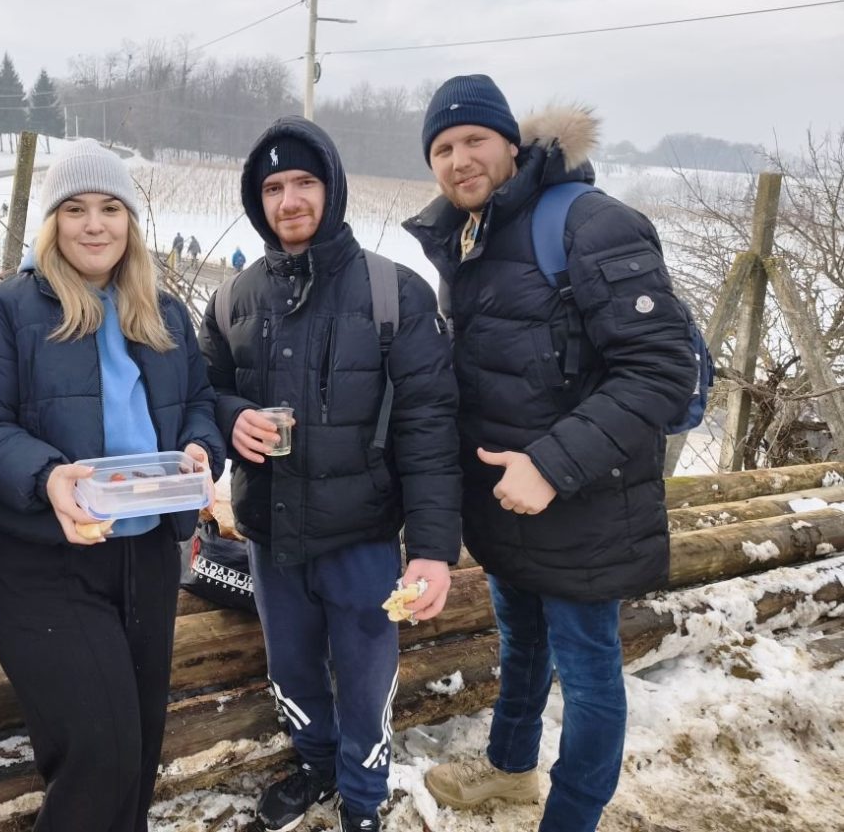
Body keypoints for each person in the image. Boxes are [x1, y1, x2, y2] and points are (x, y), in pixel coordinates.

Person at [403, 75, 698, 832]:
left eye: (474, 140)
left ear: (513, 142)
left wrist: (551, 465)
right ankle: (509, 769)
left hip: (584, 501)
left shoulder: (589, 223)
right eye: (442, 148)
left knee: (590, 673)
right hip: (509, 501)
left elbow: (660, 369)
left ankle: (570, 818)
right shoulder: (471, 235)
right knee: (522, 641)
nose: (459, 160)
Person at [0, 138, 225, 832]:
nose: (95, 224)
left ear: (131, 220)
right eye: (75, 209)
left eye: (110, 207)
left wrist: (202, 448)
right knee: (100, 756)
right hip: (44, 561)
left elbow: (199, 402)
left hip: (147, 556)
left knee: (138, 754)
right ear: (52, 222)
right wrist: (47, 476)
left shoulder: (162, 312)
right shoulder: (5, 311)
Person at [199, 116, 462, 832]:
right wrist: (230, 416)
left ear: (333, 188)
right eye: (273, 188)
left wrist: (432, 550)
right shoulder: (232, 299)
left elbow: (431, 429)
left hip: (363, 538)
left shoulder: (394, 293)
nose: (289, 200)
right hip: (270, 536)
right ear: (257, 200)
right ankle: (315, 765)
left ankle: (363, 799)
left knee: (367, 681)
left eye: (304, 182)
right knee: (292, 669)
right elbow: (200, 394)